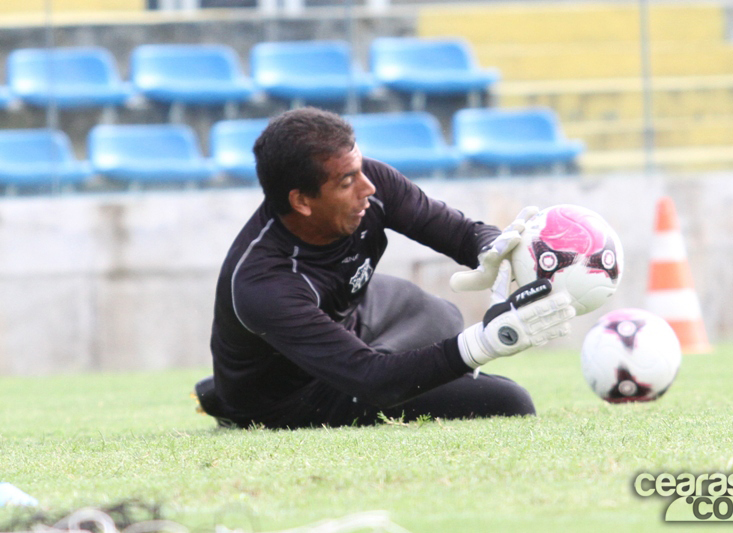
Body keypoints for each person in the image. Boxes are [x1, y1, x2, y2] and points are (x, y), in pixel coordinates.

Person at [194, 107, 576, 429]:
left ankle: (394, 366)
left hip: (350, 323)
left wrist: (496, 248)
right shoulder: (264, 282)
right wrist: (483, 344)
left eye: (360, 168)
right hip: (291, 398)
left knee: (443, 317)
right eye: (347, 182)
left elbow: (458, 232)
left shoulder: (369, 183)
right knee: (509, 400)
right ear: (302, 201)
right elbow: (369, 380)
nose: (368, 187)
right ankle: (226, 401)